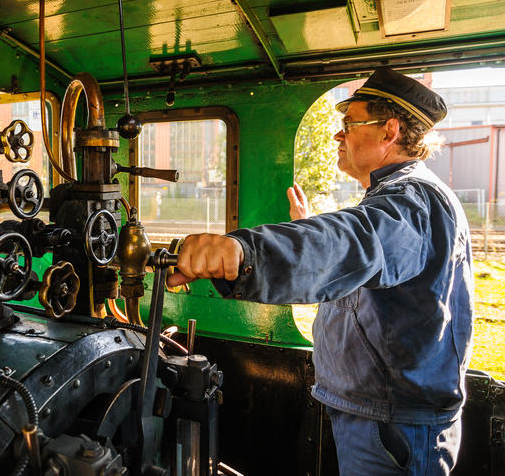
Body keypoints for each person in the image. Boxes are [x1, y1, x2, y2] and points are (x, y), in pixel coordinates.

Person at [167, 68, 473, 476]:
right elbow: (362, 256)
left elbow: (354, 239)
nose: (337, 136)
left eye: (349, 124)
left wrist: (241, 251)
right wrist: (309, 224)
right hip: (383, 416)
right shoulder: (399, 197)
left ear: (390, 132)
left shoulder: (412, 200)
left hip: (393, 425)